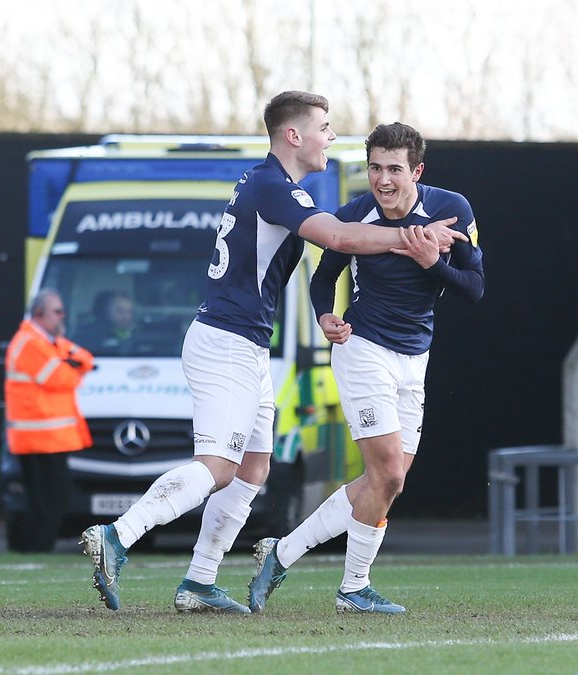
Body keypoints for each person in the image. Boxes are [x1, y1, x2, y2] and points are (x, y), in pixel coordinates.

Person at [79, 91, 465, 613]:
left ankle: (199, 581)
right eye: (324, 127)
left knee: (253, 470)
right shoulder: (272, 186)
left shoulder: (273, 186)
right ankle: (119, 535)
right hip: (227, 341)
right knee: (218, 466)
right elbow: (340, 240)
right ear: (294, 135)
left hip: (246, 344)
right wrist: (414, 238)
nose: (330, 137)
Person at [247, 122, 484, 614]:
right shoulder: (355, 215)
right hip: (363, 350)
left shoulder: (452, 209)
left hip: (414, 359)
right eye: (375, 168)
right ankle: (353, 589)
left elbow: (473, 288)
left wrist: (431, 262)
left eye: (395, 169)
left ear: (416, 171)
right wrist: (324, 315)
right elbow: (323, 277)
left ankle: (283, 551)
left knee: (384, 482)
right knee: (389, 475)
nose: (384, 180)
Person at [4, 289, 95, 553]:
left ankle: (40, 546)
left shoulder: (50, 342)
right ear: (40, 314)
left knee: (52, 497)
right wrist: (70, 366)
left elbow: (86, 359)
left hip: (52, 438)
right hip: (38, 438)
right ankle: (35, 547)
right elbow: (61, 379)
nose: (62, 316)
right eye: (57, 311)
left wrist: (69, 364)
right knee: (44, 499)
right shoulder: (30, 342)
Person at [75, 290, 138, 355]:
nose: (126, 317)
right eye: (119, 311)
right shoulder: (89, 334)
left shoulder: (136, 334)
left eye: (129, 312)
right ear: (106, 311)